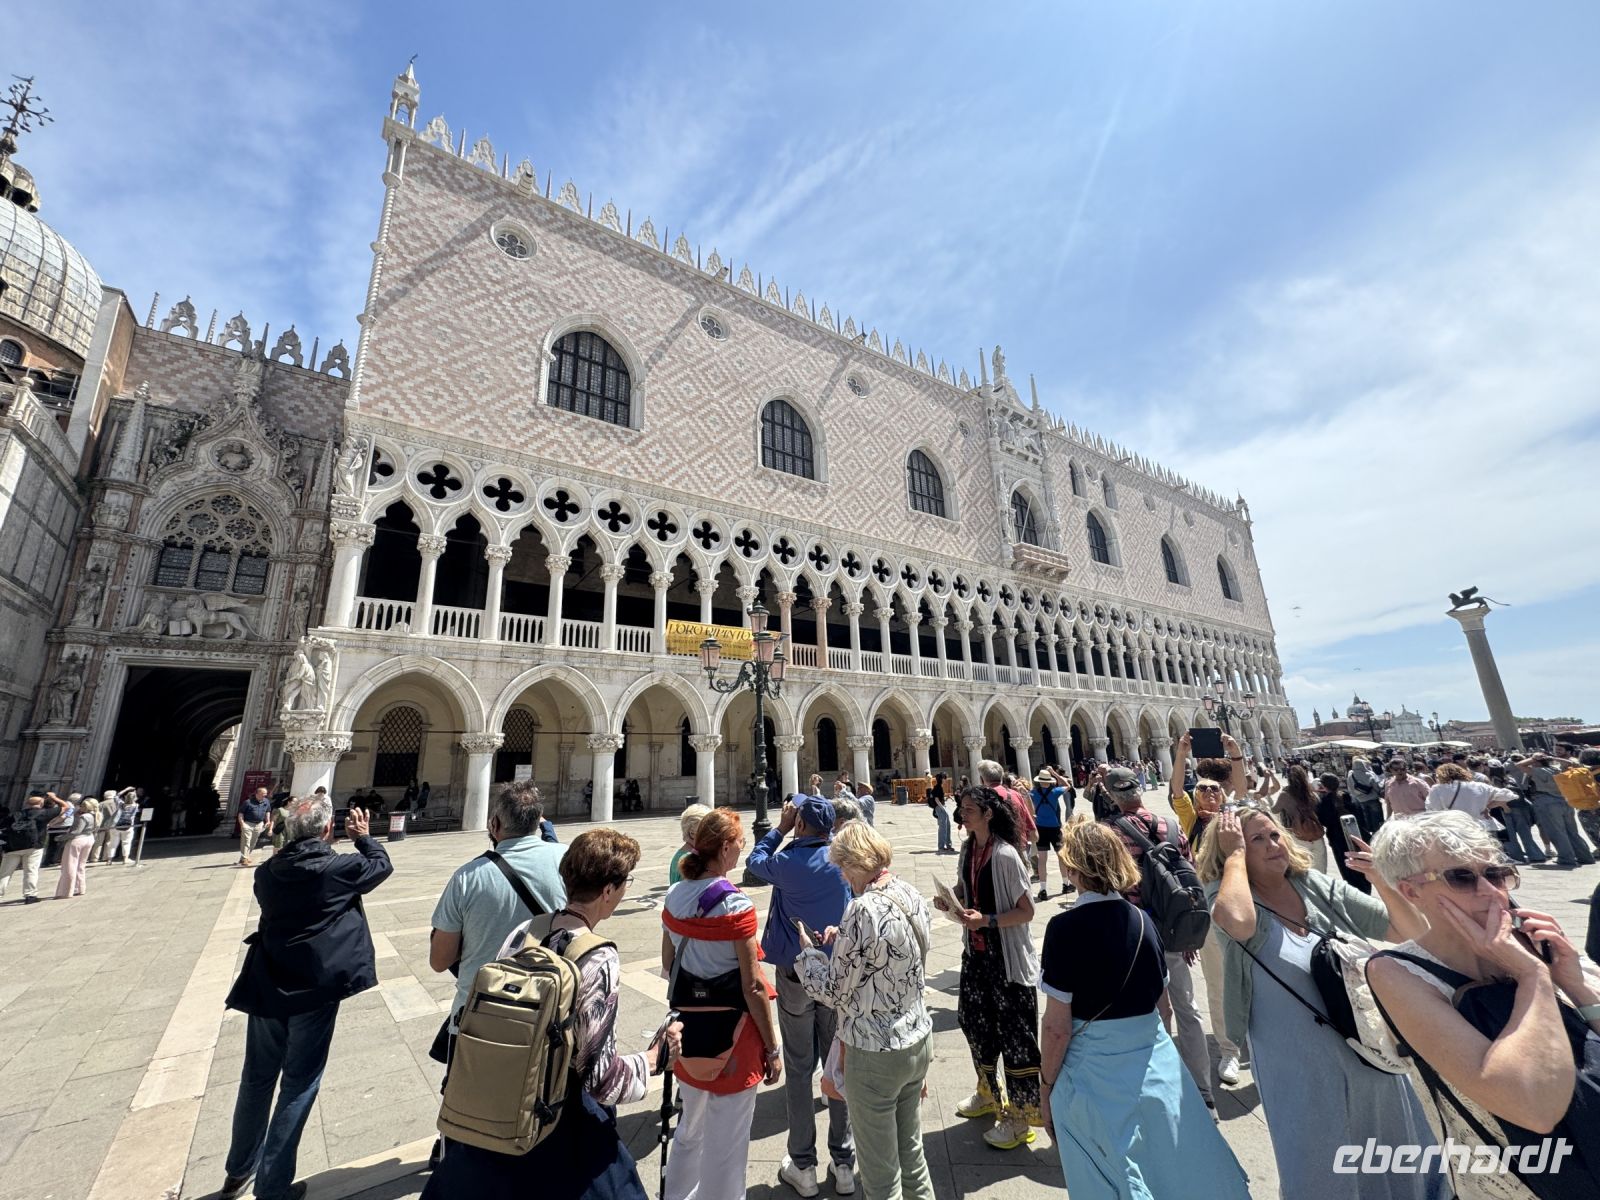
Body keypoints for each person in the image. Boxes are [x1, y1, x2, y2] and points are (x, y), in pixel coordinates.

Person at [1198, 806, 1442, 1200]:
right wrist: (1236, 857)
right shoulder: (1226, 893)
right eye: (1256, 839)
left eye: (1274, 834)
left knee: (1392, 1144)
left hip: (1364, 1046)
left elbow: (1410, 932)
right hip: (1295, 1061)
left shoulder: (1313, 885)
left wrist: (1380, 880)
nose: (1273, 845)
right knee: (1320, 1159)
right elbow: (1238, 923)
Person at [424, 829, 680, 1200]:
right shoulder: (598, 957)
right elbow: (602, 1079)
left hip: (503, 1107)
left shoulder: (523, 932)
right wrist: (654, 1059)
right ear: (608, 891)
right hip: (558, 1122)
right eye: (625, 883)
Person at [1366, 811, 1600, 1197]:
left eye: (1496, 874)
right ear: (1411, 891)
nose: (1491, 891)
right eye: (1462, 877)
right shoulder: (1398, 972)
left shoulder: (1528, 940)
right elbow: (1531, 1108)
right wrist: (1533, 977)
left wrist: (1574, 984)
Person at [1041, 822, 1249, 1198]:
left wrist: (1045, 1087)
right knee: (1171, 1170)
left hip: (1093, 1076)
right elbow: (1163, 1008)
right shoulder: (1143, 921)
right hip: (1153, 1067)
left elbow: (1057, 1029)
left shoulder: (1063, 928)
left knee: (1108, 1176)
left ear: (1072, 868)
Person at [219, 798, 392, 1200]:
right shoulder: (338, 869)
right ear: (328, 829)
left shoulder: (266, 873)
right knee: (299, 1082)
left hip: (268, 983)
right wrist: (364, 838)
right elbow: (381, 866)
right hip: (314, 987)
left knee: (256, 1079)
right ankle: (273, 1186)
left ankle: (238, 1170)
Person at [797, 820, 934, 1200]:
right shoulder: (908, 892)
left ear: (855, 863)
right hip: (916, 1040)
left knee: (880, 1177)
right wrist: (844, 939)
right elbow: (896, 956)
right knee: (912, 1157)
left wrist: (809, 956)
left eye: (842, 867)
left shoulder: (861, 910)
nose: (842, 876)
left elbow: (833, 991)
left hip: (876, 1054)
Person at [661, 809, 781, 1200]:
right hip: (735, 1036)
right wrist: (772, 1048)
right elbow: (753, 986)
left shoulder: (674, 896)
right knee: (728, 1144)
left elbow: (668, 965)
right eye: (741, 845)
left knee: (689, 1130)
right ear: (726, 848)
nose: (741, 851)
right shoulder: (737, 906)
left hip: (688, 1032)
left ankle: (678, 1194)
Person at [746, 794, 856, 1197]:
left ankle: (803, 1165)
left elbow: (754, 862)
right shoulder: (842, 860)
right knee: (837, 1064)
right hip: (836, 974)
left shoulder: (788, 862)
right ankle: (844, 1163)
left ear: (802, 825)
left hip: (796, 975)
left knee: (797, 1066)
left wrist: (779, 828)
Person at [1096, 766, 1217, 1106]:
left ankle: (1154, 1087)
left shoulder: (1108, 833)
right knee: (1187, 1008)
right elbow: (1191, 876)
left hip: (1134, 934)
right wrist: (1187, 930)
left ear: (1112, 796)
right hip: (1174, 928)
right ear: (1138, 789)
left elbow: (1107, 885)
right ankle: (1203, 1088)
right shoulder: (1170, 825)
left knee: (1144, 1010)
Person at [936, 785, 1042, 1150]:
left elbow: (1027, 912)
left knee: (1015, 1036)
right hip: (977, 956)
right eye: (961, 808)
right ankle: (988, 1092)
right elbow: (966, 889)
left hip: (1006, 960)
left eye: (968, 809)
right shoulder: (969, 849)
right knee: (974, 1022)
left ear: (988, 814)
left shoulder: (1006, 855)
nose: (962, 814)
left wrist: (987, 921)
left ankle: (1020, 1118)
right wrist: (951, 899)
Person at [430, 783, 567, 1037]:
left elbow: (439, 961)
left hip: (480, 1015)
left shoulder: (466, 877)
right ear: (538, 822)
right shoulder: (569, 860)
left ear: (494, 824)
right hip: (549, 1012)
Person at [1512, 752, 1596, 867]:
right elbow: (1573, 763)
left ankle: (1566, 858)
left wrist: (1533, 758)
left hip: (1546, 802)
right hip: (1564, 801)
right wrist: (1552, 757)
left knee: (1557, 832)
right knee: (1572, 832)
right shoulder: (1556, 769)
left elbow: (1519, 765)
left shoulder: (1539, 771)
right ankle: (1585, 856)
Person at [1318, 772, 1372, 892]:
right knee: (1362, 865)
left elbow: (1323, 820)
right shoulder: (1350, 797)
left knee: (1348, 868)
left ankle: (1355, 893)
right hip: (1357, 836)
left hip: (1338, 840)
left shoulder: (1324, 802)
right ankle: (1366, 890)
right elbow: (1363, 817)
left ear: (1323, 785)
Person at [1424, 763, 1516, 831]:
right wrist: (1488, 807)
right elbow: (1508, 795)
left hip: (1456, 828)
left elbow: (1433, 810)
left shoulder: (1438, 789)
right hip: (1482, 826)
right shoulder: (1479, 786)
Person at [1272, 765, 1329, 873]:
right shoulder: (1311, 793)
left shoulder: (1285, 795)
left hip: (1297, 835)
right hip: (1315, 834)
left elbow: (1274, 810)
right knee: (1320, 870)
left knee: (1303, 871)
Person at [0, 795, 53, 902]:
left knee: (5, 873)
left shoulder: (15, 814)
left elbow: (3, 826)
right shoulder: (44, 813)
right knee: (30, 871)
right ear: (41, 804)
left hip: (12, 847)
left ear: (27, 803)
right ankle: (30, 895)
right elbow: (65, 808)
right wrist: (54, 797)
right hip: (33, 847)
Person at [1030, 767, 1070, 900]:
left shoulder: (1033, 793)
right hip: (1054, 828)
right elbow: (1068, 785)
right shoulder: (1055, 792)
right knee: (1061, 856)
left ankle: (1043, 889)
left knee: (1042, 860)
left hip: (1040, 827)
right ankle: (1065, 884)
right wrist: (1054, 773)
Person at [53, 795, 97, 899]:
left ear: (85, 807)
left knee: (69, 866)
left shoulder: (84, 817)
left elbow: (76, 831)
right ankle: (80, 888)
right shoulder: (95, 815)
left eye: (81, 806)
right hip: (89, 838)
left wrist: (61, 838)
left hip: (78, 840)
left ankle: (66, 891)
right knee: (81, 865)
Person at [670, 804, 712, 884]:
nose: (712, 834)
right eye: (707, 830)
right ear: (692, 833)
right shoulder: (689, 860)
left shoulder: (683, 854)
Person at [1347, 756, 1386, 833]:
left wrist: (1357, 795)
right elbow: (1376, 787)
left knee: (1367, 817)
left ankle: (1371, 831)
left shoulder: (1350, 776)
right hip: (1373, 799)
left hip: (1360, 800)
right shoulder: (1368, 774)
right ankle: (1378, 833)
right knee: (1377, 817)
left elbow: (1350, 789)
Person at [239, 787, 272, 867]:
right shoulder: (248, 802)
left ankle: (245, 856)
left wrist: (268, 820)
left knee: (253, 842)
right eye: (263, 794)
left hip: (259, 824)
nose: (265, 795)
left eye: (265, 794)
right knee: (246, 840)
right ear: (257, 794)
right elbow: (241, 813)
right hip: (248, 823)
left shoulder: (266, 801)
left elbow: (268, 811)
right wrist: (242, 823)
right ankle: (244, 858)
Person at [90, 790, 119, 863]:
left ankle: (94, 858)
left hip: (101, 825)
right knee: (109, 842)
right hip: (112, 825)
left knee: (98, 843)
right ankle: (105, 857)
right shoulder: (117, 803)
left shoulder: (100, 804)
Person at [929, 772, 953, 854]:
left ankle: (948, 845)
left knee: (947, 826)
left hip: (941, 807)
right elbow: (936, 799)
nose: (946, 780)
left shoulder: (939, 787)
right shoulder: (938, 787)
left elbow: (940, 798)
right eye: (945, 778)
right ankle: (941, 846)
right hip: (940, 808)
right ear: (942, 779)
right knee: (943, 827)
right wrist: (943, 809)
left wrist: (946, 799)